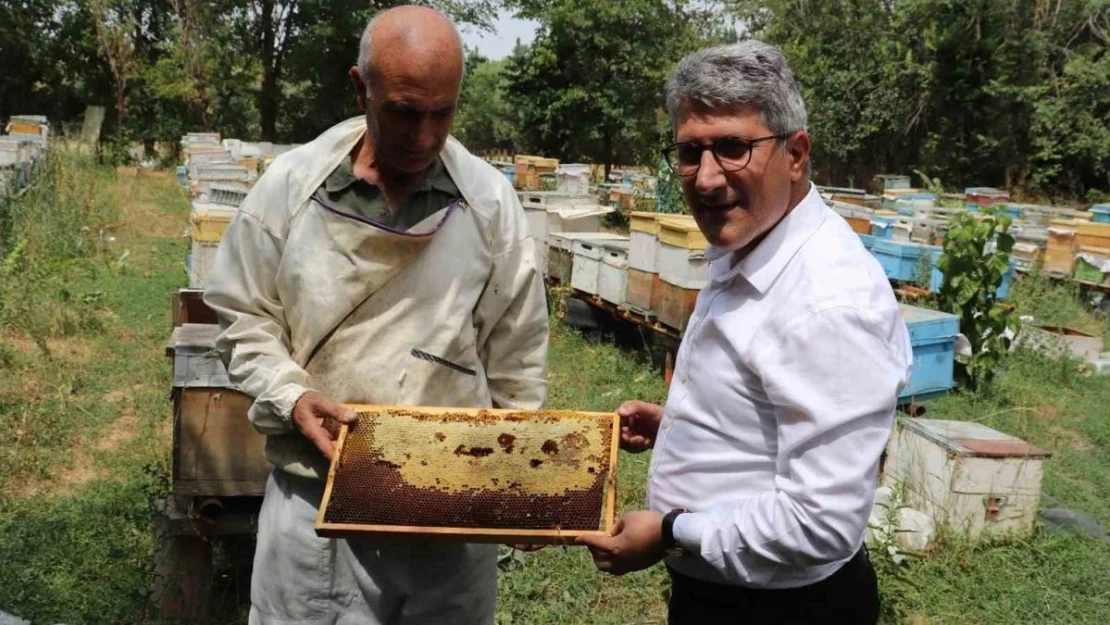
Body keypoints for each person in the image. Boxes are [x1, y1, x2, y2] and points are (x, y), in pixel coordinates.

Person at [203, 6, 549, 624]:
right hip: (315, 508)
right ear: (361, 87)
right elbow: (242, 315)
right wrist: (291, 395)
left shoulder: (491, 205)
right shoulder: (289, 188)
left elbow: (518, 361)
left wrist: (515, 484)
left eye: (442, 113)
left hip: (450, 515)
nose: (423, 136)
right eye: (404, 111)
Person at [578, 40, 912, 624]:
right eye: (689, 152)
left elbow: (821, 522)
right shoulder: (753, 239)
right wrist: (687, 426)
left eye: (733, 148)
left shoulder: (827, 303)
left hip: (783, 608)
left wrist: (670, 533)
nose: (706, 179)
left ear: (796, 153)